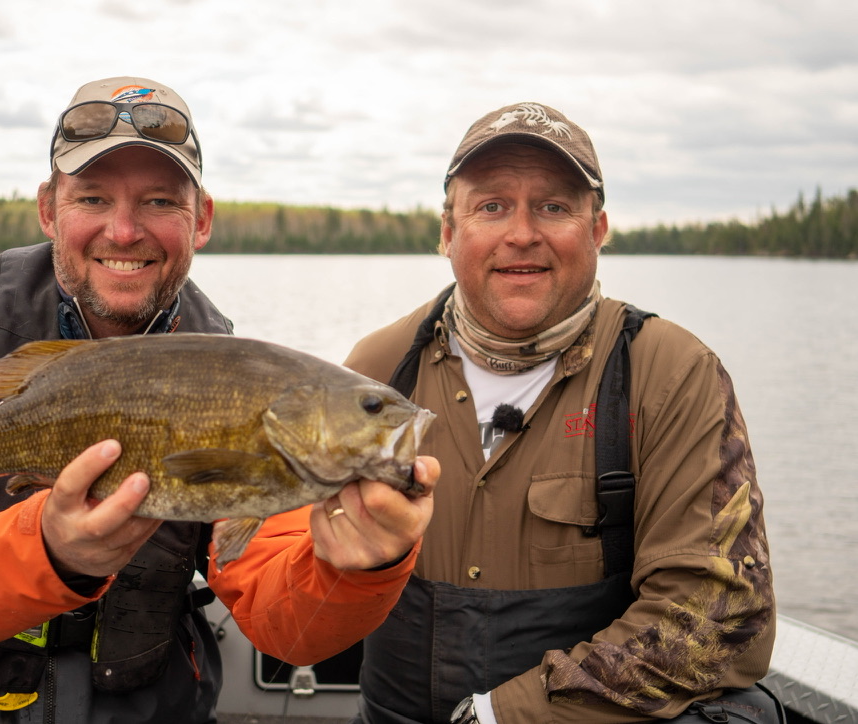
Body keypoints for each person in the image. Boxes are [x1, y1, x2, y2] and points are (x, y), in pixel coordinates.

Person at [0, 75, 437, 724]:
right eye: (92, 197)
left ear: (200, 218)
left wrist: (362, 564)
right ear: (49, 209)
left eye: (158, 201)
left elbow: (287, 627)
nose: (123, 232)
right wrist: (47, 548)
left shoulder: (245, 374)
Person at [212, 102, 775, 723]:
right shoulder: (378, 367)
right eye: (491, 205)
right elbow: (287, 615)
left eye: (555, 206)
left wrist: (502, 716)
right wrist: (349, 565)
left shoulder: (670, 373)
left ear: (599, 229)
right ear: (449, 232)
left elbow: (719, 618)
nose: (522, 233)